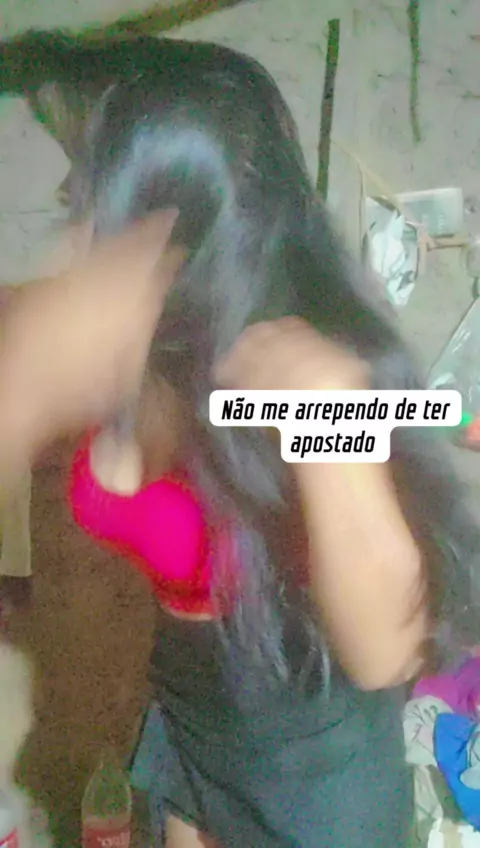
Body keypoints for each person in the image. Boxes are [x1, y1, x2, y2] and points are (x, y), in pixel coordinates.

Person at [0, 31, 480, 848]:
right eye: (74, 195)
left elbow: (385, 653)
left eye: (92, 202)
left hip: (311, 764)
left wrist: (336, 444)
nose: (70, 233)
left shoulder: (297, 371)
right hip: (188, 708)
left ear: (179, 226)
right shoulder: (123, 343)